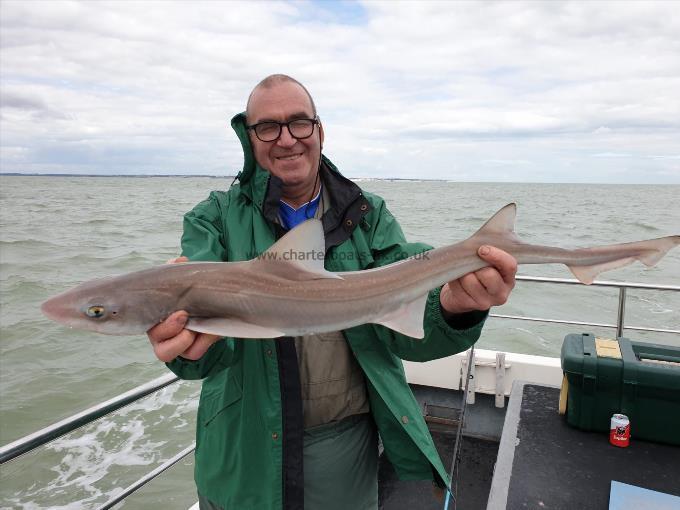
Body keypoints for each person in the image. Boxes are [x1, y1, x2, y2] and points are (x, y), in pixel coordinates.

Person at [148, 74, 517, 510]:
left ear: (319, 131)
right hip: (241, 445)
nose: (286, 139)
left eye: (299, 123)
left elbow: (404, 331)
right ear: (250, 138)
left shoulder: (366, 215)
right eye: (268, 127)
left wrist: (456, 307)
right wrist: (184, 346)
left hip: (343, 443)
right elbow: (208, 352)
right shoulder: (212, 220)